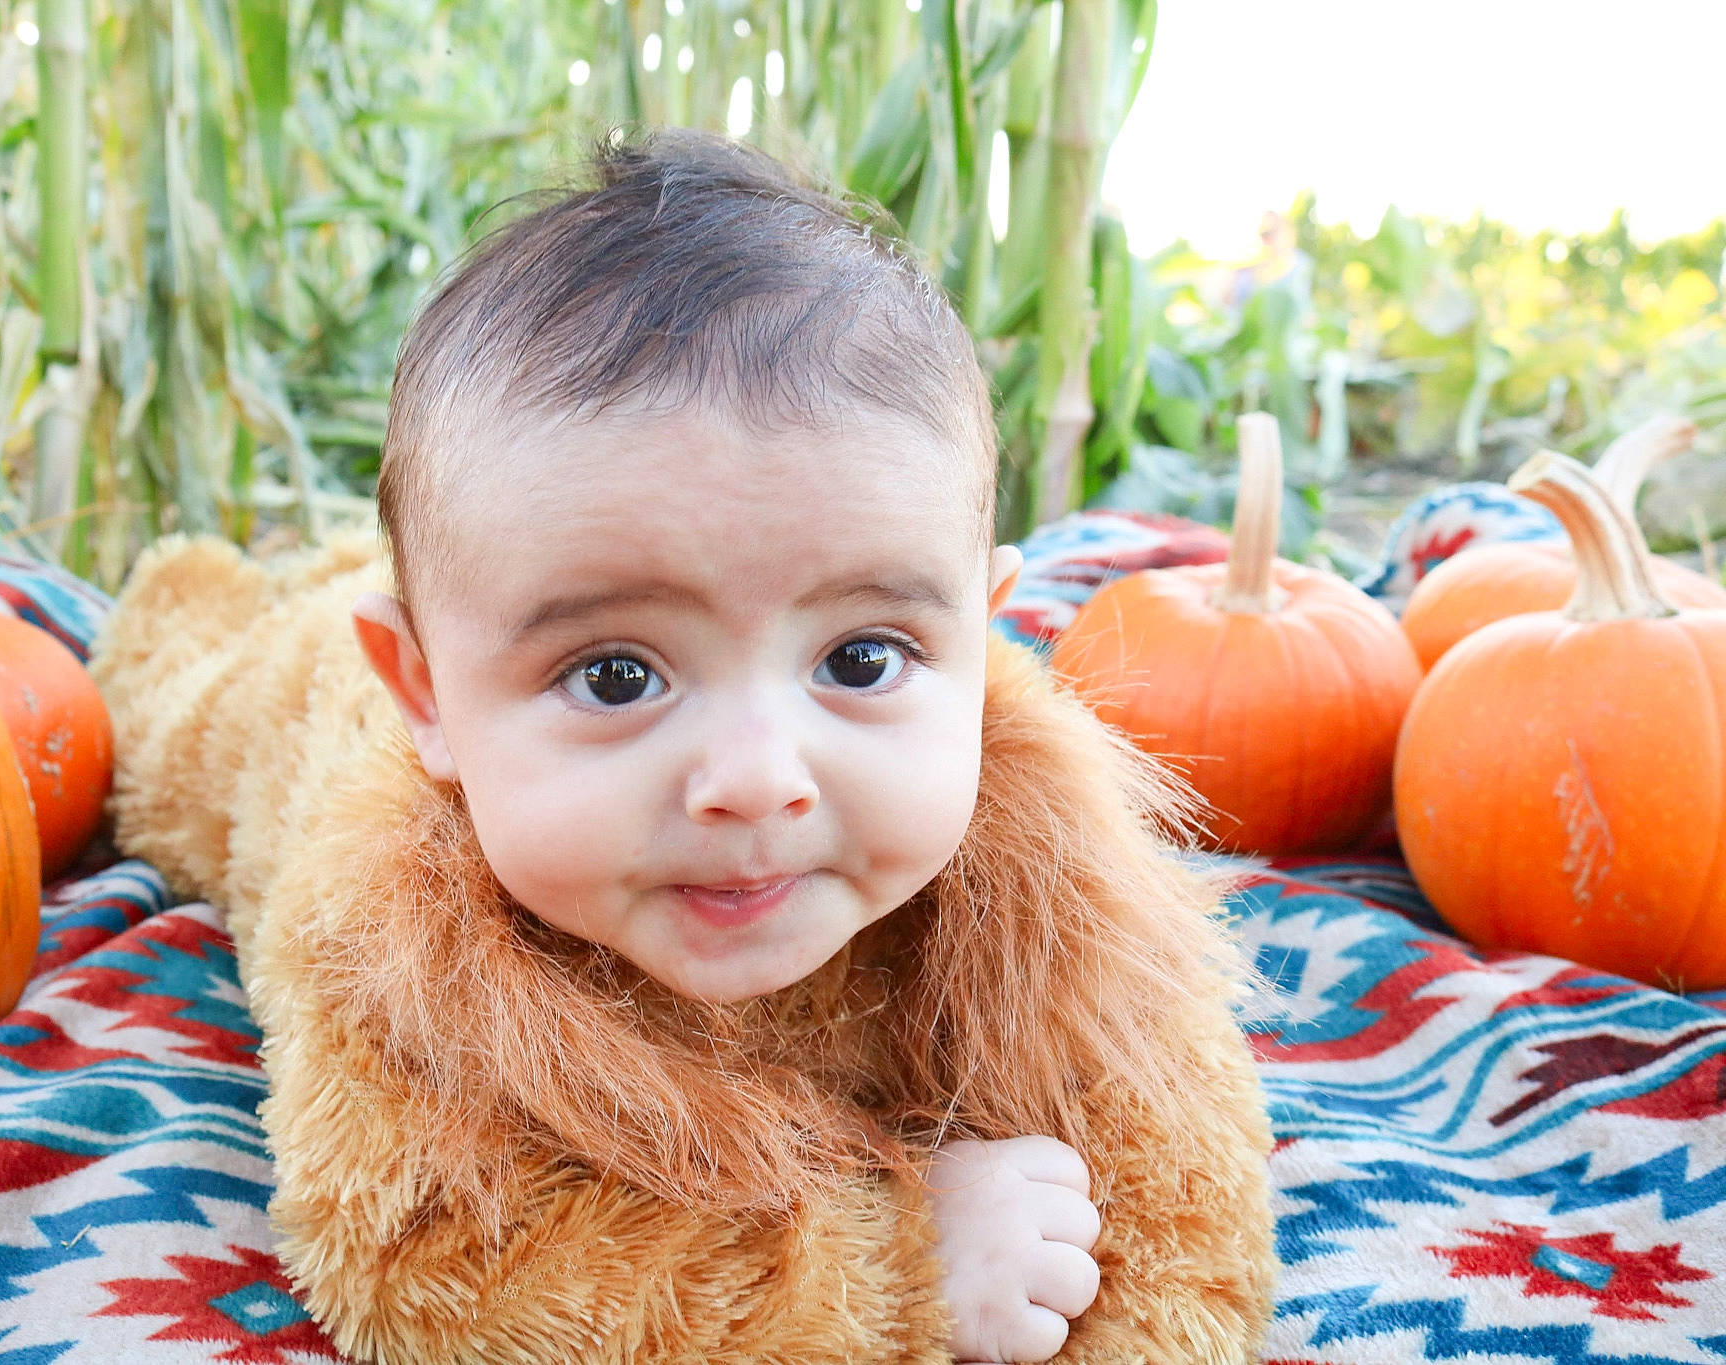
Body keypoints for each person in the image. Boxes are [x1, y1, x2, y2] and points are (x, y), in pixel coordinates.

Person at [92, 128, 1274, 1364]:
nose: (759, 777)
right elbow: (432, 1265)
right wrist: (903, 1268)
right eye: (614, 675)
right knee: (180, 718)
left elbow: (1179, 1178)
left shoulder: (1054, 880)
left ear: (979, 641)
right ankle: (203, 594)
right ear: (426, 694)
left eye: (859, 659)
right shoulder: (391, 941)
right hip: (295, 705)